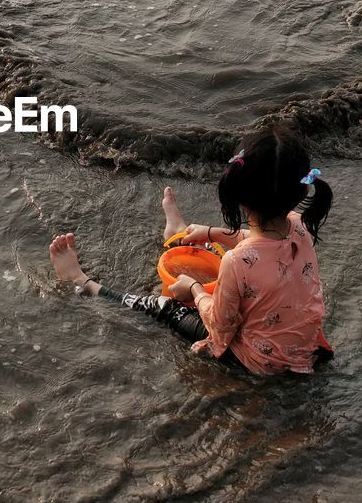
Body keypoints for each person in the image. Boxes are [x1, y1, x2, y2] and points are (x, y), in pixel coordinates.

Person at [48, 122, 333, 375]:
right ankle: (180, 234)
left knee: (162, 306)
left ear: (238, 193)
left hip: (258, 361)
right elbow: (256, 243)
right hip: (305, 350)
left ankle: (82, 282)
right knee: (227, 252)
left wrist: (195, 290)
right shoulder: (299, 225)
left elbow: (220, 328)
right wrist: (210, 233)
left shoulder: (238, 261)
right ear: (299, 192)